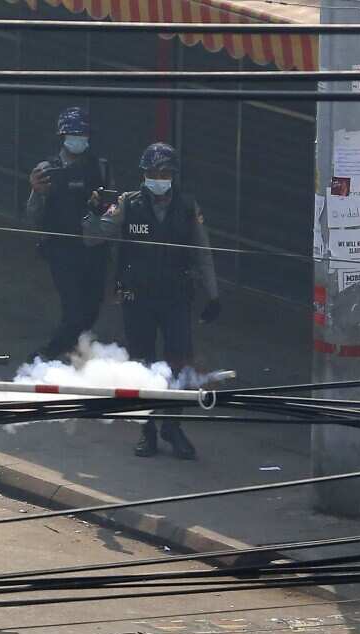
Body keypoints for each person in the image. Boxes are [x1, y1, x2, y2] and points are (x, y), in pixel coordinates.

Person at [91, 142, 221, 460]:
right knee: (143, 365)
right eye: (152, 173)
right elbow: (91, 236)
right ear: (143, 175)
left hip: (176, 298)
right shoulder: (127, 204)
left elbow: (203, 253)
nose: (158, 178)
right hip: (138, 299)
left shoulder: (188, 208)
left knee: (177, 363)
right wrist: (93, 212)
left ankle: (172, 426)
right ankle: (147, 429)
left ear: (173, 175)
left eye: (164, 173)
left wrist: (213, 295)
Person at [26, 107, 109, 360]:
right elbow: (32, 215)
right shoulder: (47, 169)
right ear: (62, 136)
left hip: (94, 248)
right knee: (73, 311)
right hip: (61, 249)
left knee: (91, 310)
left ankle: (73, 353)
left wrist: (102, 205)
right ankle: (47, 355)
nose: (79, 139)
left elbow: (113, 208)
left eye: (83, 134)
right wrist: (36, 191)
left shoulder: (100, 167)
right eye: (73, 133)